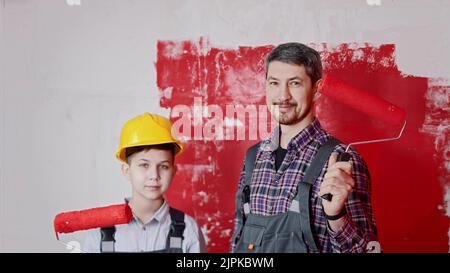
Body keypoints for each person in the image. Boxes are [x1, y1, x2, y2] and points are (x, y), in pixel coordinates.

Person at [231, 43, 379, 253]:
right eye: (274, 83)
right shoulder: (253, 158)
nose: (283, 96)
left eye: (295, 83)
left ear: (317, 89)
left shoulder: (342, 161)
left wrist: (336, 217)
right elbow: (238, 242)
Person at [83, 113, 206, 253]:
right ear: (126, 170)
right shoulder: (100, 232)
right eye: (144, 165)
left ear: (173, 171)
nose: (154, 175)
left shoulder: (188, 231)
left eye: (163, 166)